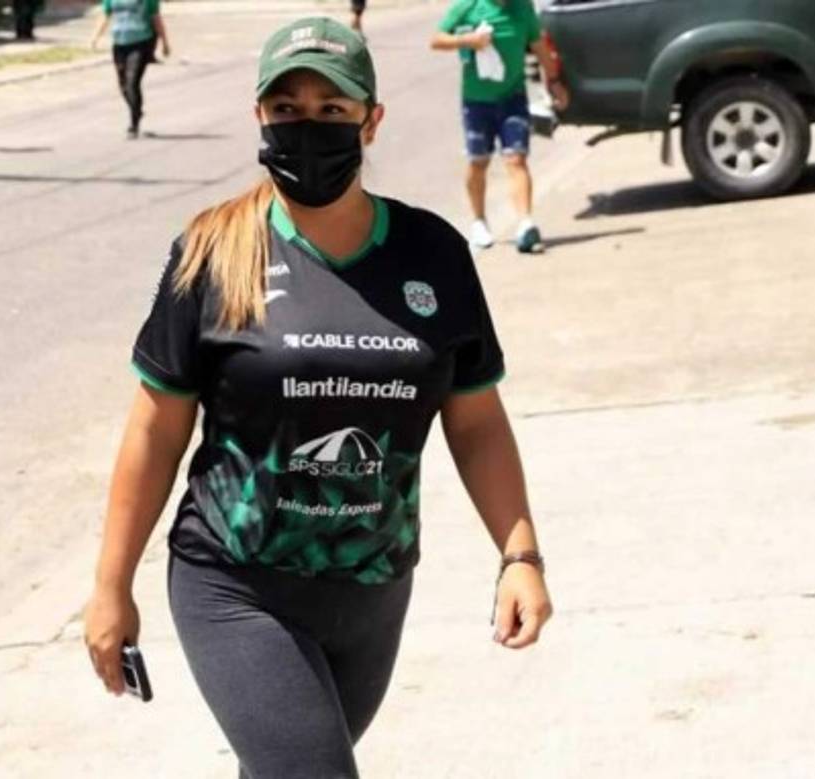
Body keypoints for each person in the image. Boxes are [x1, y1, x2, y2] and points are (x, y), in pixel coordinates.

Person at [84, 16, 553, 777]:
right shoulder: (212, 252)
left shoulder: (431, 254)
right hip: (235, 583)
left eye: (333, 110)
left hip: (373, 589)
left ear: (372, 119)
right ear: (260, 117)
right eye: (287, 109)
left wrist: (519, 552)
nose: (309, 126)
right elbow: (155, 431)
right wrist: (111, 585)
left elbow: (475, 422)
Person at [431, 0, 568, 254]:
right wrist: (469, 41)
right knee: (478, 161)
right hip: (476, 101)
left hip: (512, 98)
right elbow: (437, 39)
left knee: (516, 159)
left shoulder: (522, 8)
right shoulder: (468, 6)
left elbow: (538, 46)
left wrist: (555, 81)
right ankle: (479, 221)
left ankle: (526, 224)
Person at [90, 0, 170, 139]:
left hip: (141, 42)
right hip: (119, 43)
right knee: (123, 85)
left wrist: (165, 42)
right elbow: (105, 14)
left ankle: (134, 124)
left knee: (132, 82)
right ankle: (137, 110)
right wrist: (95, 36)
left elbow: (156, 18)